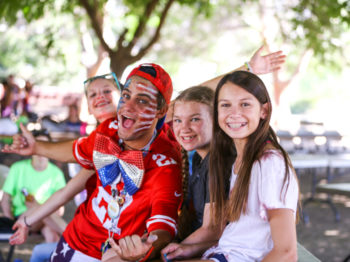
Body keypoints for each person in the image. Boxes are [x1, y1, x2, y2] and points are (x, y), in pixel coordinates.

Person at [4, 65, 183, 262]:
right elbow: (76, 151)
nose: (128, 106)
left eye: (141, 100)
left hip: (114, 254)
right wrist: (36, 147)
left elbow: (164, 223)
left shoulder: (166, 160)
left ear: (161, 110)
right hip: (75, 240)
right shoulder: (109, 130)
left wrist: (147, 248)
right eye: (127, 95)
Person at [161, 47, 287, 261]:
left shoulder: (223, 160)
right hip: (216, 248)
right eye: (179, 121)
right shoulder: (202, 159)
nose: (183, 128)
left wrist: (173, 249)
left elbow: (214, 230)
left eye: (195, 119)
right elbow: (175, 106)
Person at [188, 71, 299, 261]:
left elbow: (286, 253)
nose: (234, 114)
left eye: (245, 104)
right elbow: (242, 234)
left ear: (264, 110)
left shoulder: (269, 163)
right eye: (225, 105)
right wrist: (188, 250)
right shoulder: (240, 159)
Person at [28, 72, 121, 262]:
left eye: (107, 91)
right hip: (85, 236)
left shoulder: (129, 134)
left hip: (106, 242)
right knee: (40, 252)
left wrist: (37, 147)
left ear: (123, 96)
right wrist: (25, 221)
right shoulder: (99, 141)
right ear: (88, 106)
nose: (100, 97)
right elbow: (67, 191)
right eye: (93, 95)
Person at [1, 130, 66, 243]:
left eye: (45, 146)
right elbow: (5, 199)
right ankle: (74, 237)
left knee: (51, 235)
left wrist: (37, 206)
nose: (41, 150)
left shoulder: (56, 173)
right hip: (22, 218)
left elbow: (60, 209)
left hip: (48, 220)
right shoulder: (17, 168)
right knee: (42, 211)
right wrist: (11, 223)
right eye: (38, 145)